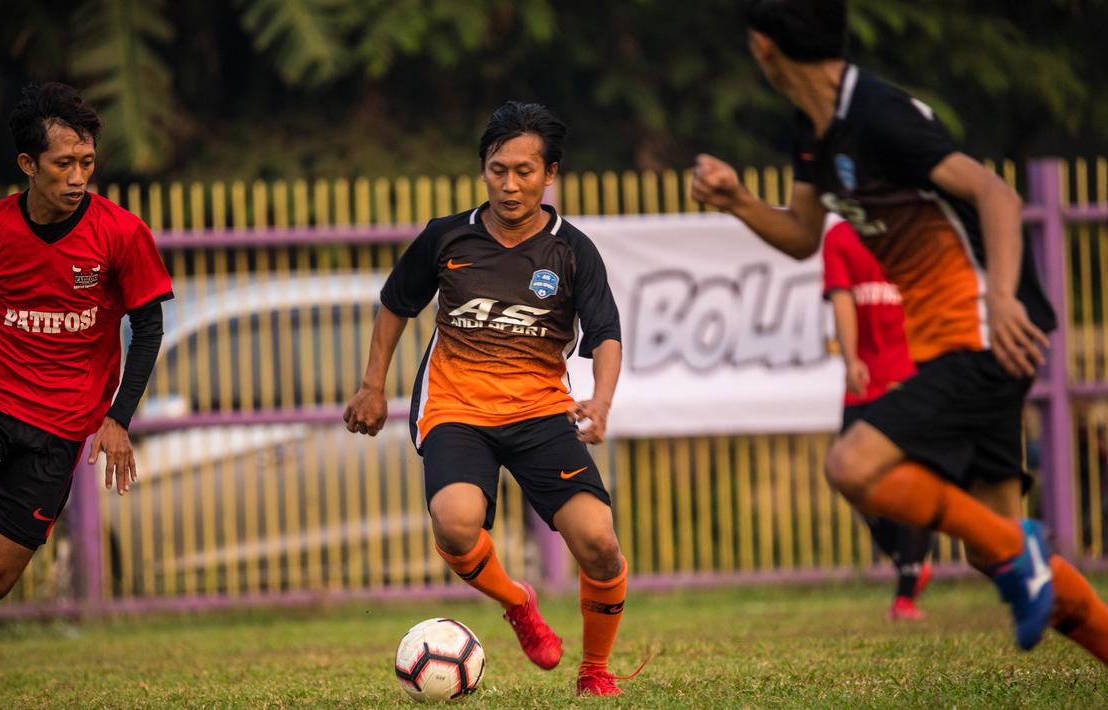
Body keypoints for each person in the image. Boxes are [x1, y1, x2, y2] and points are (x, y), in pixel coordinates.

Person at [690, 0, 1108, 663]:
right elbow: (802, 237)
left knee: (852, 465)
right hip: (952, 339)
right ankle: (1024, 564)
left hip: (981, 333)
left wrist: (997, 297)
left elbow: (995, 196)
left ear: (762, 45)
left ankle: (1015, 553)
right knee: (986, 548)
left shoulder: (879, 115)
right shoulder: (811, 128)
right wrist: (738, 201)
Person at [343, 101, 639, 696]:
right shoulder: (446, 236)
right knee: (455, 526)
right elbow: (396, 303)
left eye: (525, 171)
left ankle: (595, 672)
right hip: (456, 408)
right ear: (484, 167)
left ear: (550, 173)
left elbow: (605, 333)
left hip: (538, 411)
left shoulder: (573, 251)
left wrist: (601, 403)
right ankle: (518, 603)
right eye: (498, 169)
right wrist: (372, 386)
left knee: (601, 546)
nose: (510, 184)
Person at [0, 82, 174, 709]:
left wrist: (117, 418)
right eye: (63, 164)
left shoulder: (121, 234)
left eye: (88, 164)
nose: (78, 178)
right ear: (28, 165)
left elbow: (148, 325)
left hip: (59, 427)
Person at [822, 216, 933, 620]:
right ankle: (908, 559)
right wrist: (851, 358)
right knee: (849, 476)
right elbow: (842, 298)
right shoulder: (840, 236)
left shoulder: (916, 229)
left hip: (913, 375)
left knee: (916, 481)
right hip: (865, 381)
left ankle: (905, 595)